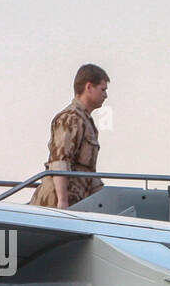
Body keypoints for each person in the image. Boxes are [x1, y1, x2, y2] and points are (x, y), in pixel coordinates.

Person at [28, 64, 109, 208]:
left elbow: (89, 172)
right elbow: (60, 162)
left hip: (77, 199)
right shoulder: (71, 118)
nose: (105, 95)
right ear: (89, 87)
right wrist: (62, 201)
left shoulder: (86, 121)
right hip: (56, 201)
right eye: (102, 90)